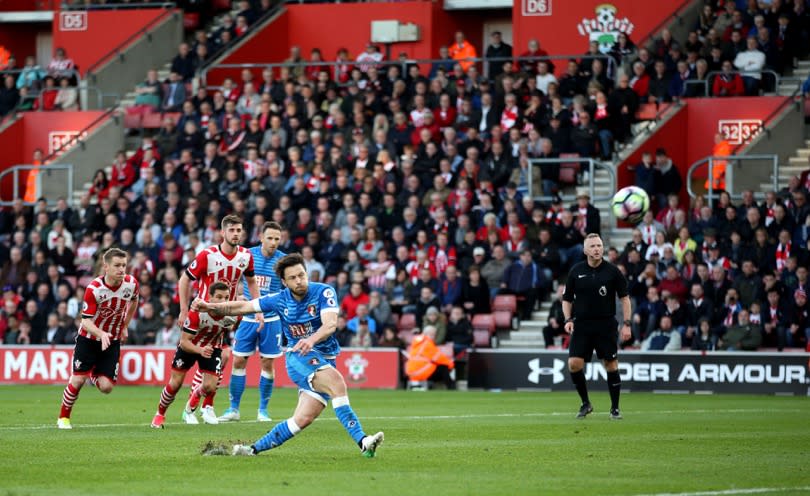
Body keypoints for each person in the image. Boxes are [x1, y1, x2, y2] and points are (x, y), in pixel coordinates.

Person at [192, 253, 384, 458]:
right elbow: (242, 307)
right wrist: (210, 306)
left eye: (301, 275)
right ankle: (363, 441)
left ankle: (251, 449)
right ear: (284, 282)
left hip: (324, 357)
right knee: (338, 384)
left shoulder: (324, 292)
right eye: (293, 278)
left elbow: (330, 324)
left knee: (302, 419)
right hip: (298, 358)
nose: (299, 280)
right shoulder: (279, 299)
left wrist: (311, 339)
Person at [178, 214, 261, 425]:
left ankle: (202, 404)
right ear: (222, 233)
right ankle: (200, 405)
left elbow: (251, 282)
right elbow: (185, 280)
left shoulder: (246, 256)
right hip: (204, 315)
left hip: (227, 316)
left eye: (239, 230)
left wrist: (257, 308)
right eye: (231, 230)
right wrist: (183, 310)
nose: (236, 234)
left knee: (223, 358)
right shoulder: (208, 255)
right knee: (218, 357)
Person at [57, 249, 139, 429]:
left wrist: (124, 325)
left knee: (107, 387)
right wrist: (101, 334)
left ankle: (93, 373)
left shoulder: (131, 284)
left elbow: (134, 300)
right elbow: (85, 321)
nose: (121, 269)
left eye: (124, 265)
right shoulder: (94, 289)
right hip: (88, 338)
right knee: (77, 380)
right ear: (106, 267)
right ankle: (63, 417)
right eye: (117, 265)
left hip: (113, 339)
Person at [219, 221, 286, 423]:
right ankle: (233, 409)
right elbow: (233, 279)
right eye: (270, 238)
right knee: (238, 361)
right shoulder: (247, 255)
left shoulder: (283, 261)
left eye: (277, 239)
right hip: (248, 317)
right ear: (261, 237)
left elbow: (287, 290)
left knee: (267, 363)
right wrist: (237, 297)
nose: (273, 242)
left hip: (272, 318)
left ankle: (263, 411)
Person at [563, 233, 631, 420]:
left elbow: (625, 299)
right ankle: (586, 403)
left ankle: (615, 408)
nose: (596, 249)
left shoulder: (613, 271)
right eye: (592, 246)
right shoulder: (576, 271)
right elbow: (566, 299)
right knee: (574, 364)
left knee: (610, 364)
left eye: (599, 245)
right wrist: (568, 319)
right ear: (585, 250)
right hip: (582, 324)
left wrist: (627, 323)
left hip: (605, 324)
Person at [150, 282, 238, 428]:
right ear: (210, 297)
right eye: (219, 297)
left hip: (212, 348)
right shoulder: (197, 313)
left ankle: (193, 400)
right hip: (190, 347)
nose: (223, 301)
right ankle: (160, 414)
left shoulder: (231, 315)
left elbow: (242, 312)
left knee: (210, 387)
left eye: (226, 297)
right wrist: (200, 350)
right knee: (175, 384)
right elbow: (184, 342)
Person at [404, 324, 455, 389]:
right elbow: (439, 358)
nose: (433, 337)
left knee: (437, 367)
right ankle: (451, 388)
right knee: (444, 368)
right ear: (426, 334)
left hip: (411, 372)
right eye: (432, 334)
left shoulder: (417, 343)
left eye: (434, 334)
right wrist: (451, 364)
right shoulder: (428, 344)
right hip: (420, 372)